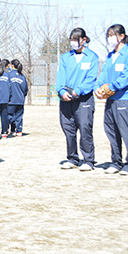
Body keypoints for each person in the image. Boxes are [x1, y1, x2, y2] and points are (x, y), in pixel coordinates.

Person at [95, 24, 128, 176]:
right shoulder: (110, 56)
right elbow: (103, 75)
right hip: (111, 101)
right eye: (108, 35)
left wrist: (111, 87)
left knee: (127, 132)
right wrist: (98, 87)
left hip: (124, 100)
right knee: (112, 132)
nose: (110, 38)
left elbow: (127, 76)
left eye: (113, 35)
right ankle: (116, 162)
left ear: (122, 36)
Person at [56, 28, 99, 171]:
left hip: (83, 100)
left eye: (76, 39)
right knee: (68, 130)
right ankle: (72, 158)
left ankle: (88, 160)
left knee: (85, 129)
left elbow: (90, 79)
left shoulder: (92, 57)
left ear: (84, 40)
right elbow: (60, 77)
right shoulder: (65, 57)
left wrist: (77, 92)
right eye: (71, 39)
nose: (73, 42)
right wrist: (62, 91)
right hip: (66, 99)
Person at [8, 59, 28, 137]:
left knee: (10, 116)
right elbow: (25, 89)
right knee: (19, 116)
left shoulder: (9, 75)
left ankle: (12, 130)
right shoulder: (22, 76)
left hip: (11, 100)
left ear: (12, 66)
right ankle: (19, 131)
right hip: (20, 100)